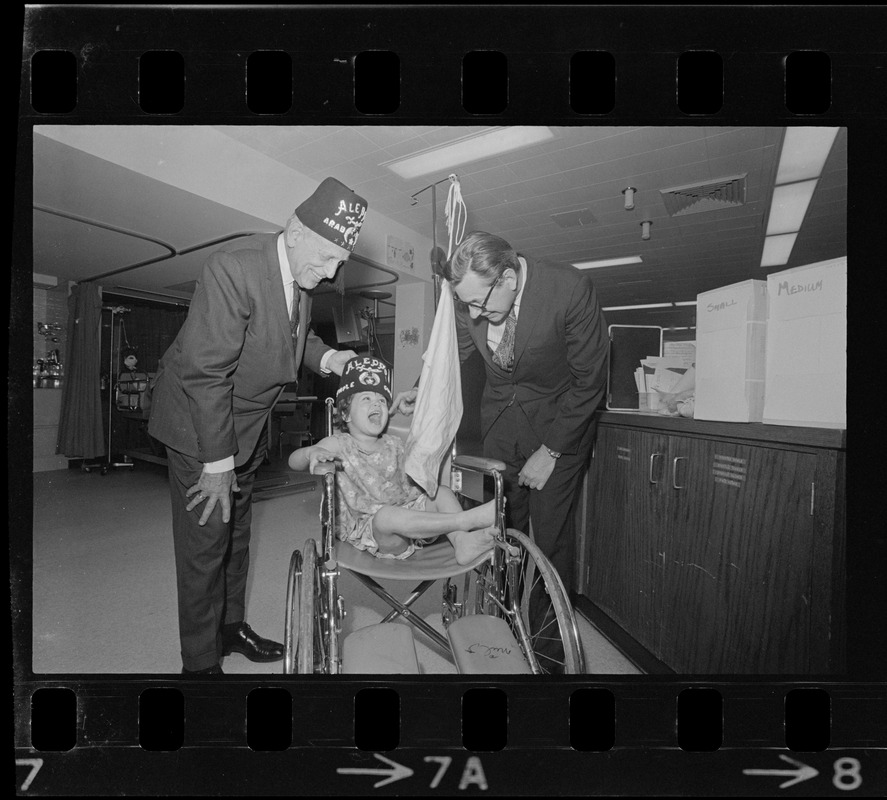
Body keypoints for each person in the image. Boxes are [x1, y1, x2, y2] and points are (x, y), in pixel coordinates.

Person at [148, 177, 367, 675]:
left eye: (340, 262)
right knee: (207, 545)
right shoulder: (235, 269)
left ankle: (230, 630)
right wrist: (218, 464)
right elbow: (206, 373)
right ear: (295, 230)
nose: (331, 272)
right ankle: (200, 668)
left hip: (244, 427)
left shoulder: (300, 278)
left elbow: (295, 333)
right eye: (327, 255)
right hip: (199, 429)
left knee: (237, 537)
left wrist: (333, 357)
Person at [390, 230, 609, 591]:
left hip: (559, 428)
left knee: (550, 540)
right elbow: (452, 356)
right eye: (467, 305)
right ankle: (505, 623)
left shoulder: (569, 289)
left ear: (507, 278)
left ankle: (548, 646)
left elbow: (590, 382)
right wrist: (420, 391)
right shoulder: (471, 299)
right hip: (501, 427)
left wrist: (551, 451)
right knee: (502, 528)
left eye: (479, 303)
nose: (473, 313)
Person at [289, 356, 497, 565]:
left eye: (381, 400)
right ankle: (467, 520)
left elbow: (418, 476)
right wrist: (311, 453)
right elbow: (293, 462)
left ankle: (461, 540)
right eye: (366, 399)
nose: (376, 404)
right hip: (377, 531)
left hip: (414, 520)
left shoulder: (394, 443)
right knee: (386, 516)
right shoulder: (339, 444)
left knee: (441, 493)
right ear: (345, 414)